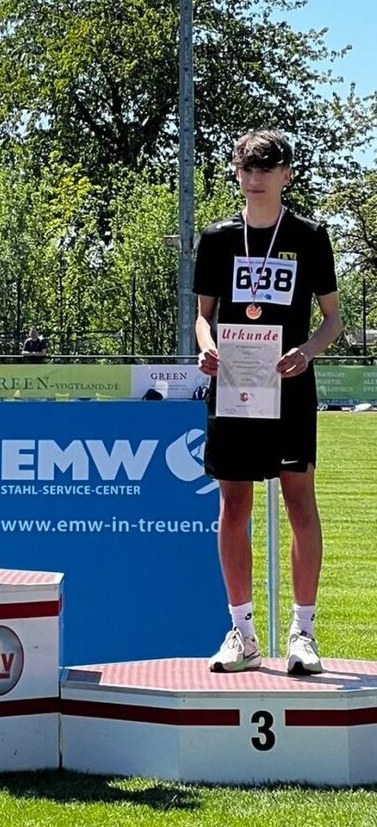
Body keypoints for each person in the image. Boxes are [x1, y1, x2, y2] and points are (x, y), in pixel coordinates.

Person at [194, 129, 341, 676]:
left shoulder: (309, 236)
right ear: (236, 173)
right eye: (246, 169)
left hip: (290, 386)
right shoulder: (216, 239)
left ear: (286, 175)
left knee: (300, 503)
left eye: (267, 169)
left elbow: (333, 321)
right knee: (234, 507)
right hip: (233, 388)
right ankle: (244, 634)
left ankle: (303, 632)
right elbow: (203, 317)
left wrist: (307, 350)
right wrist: (207, 348)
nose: (255, 179)